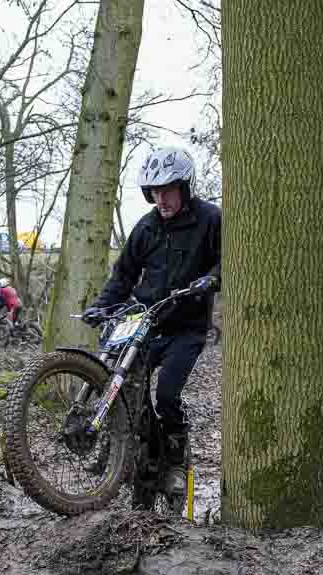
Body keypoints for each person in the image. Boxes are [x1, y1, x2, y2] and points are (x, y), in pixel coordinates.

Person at [82, 146, 221, 497]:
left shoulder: (210, 219)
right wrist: (101, 306)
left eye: (168, 190)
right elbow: (123, 274)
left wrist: (210, 280)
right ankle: (122, 450)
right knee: (126, 388)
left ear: (185, 187)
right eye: (155, 192)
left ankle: (175, 461)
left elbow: (226, 262)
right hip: (146, 321)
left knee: (167, 395)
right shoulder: (146, 226)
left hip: (186, 326)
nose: (162, 199)